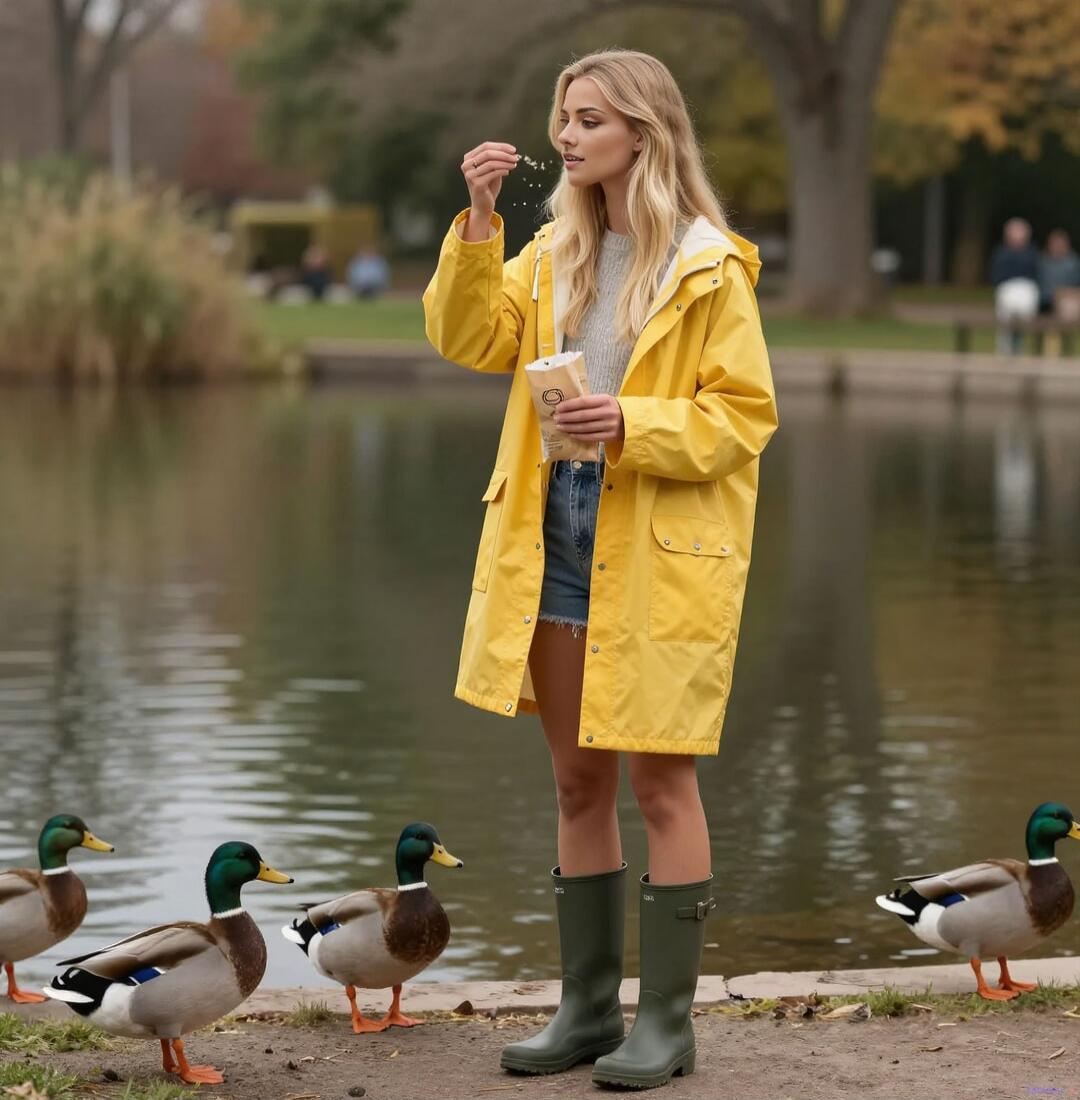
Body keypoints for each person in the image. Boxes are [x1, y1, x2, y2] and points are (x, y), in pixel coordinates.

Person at [422, 49, 777, 1089]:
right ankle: (585, 1010)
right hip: (552, 528)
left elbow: (742, 417)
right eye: (563, 118)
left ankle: (666, 1023)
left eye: (587, 119)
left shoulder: (710, 266)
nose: (566, 136)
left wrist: (630, 419)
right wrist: (480, 221)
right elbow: (469, 337)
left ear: (642, 132)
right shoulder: (551, 252)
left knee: (661, 777)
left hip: (656, 537)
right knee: (577, 777)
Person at [988, 218, 1040, 355]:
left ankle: (1020, 346)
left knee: (1024, 317)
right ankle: (1004, 349)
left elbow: (1035, 274)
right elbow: (996, 274)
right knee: (1006, 319)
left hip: (1026, 289)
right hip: (1007, 289)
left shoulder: (1031, 253)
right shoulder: (1002, 253)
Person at [1038, 228, 1080, 313]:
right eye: (1055, 243)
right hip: (1045, 300)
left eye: (1060, 243)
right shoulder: (1041, 261)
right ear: (1049, 244)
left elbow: (1076, 284)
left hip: (1068, 298)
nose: (1057, 246)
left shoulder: (1073, 262)